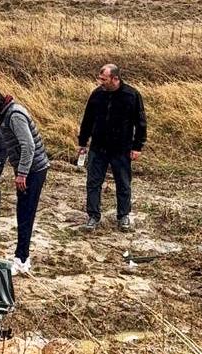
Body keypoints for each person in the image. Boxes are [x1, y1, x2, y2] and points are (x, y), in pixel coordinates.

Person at [0, 89, 51, 276]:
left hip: (34, 170)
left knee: (25, 213)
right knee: (22, 211)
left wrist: (22, 173)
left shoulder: (14, 116)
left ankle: (22, 260)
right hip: (29, 169)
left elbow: (28, 146)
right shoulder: (8, 113)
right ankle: (22, 255)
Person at [77, 64, 147, 232]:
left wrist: (137, 146)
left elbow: (141, 123)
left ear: (115, 78)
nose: (100, 82)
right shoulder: (97, 94)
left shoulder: (131, 95)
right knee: (93, 182)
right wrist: (83, 142)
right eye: (100, 78)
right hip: (98, 148)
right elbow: (88, 119)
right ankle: (93, 216)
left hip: (121, 149)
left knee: (123, 183)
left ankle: (123, 216)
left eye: (104, 79)